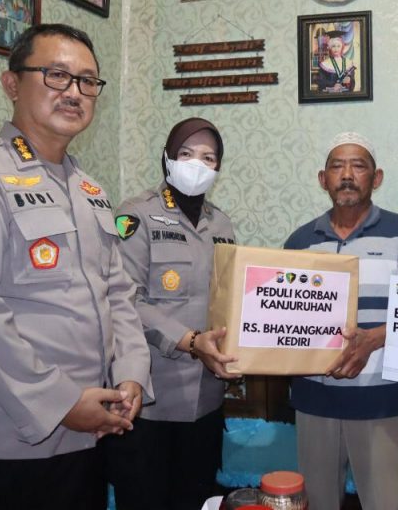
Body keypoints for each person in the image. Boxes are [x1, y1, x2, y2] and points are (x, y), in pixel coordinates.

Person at [0, 23, 152, 510]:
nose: (75, 92)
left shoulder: (90, 191)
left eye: (87, 81)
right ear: (11, 84)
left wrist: (131, 375)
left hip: (85, 435)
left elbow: (118, 294)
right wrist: (60, 402)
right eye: (56, 75)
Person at [284, 132, 398, 510]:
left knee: (388, 503)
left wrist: (372, 340)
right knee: (317, 503)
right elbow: (285, 318)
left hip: (382, 400)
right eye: (337, 166)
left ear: (376, 178)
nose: (347, 174)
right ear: (323, 179)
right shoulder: (299, 241)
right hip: (314, 400)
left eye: (358, 166)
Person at [104, 118, 239, 510]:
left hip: (206, 400)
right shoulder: (136, 215)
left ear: (218, 168)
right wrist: (190, 341)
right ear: (167, 158)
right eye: (186, 153)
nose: (197, 164)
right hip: (149, 400)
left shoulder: (222, 223)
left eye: (208, 158)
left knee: (197, 500)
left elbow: (229, 300)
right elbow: (124, 299)